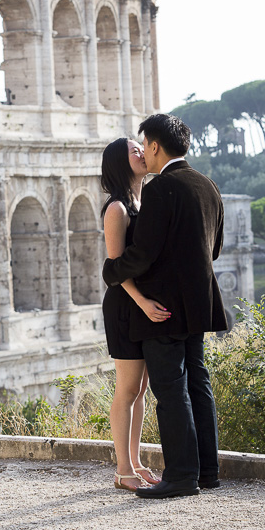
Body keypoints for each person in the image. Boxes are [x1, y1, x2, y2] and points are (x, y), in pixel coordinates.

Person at [102, 113, 229, 499]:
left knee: (172, 391)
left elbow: (143, 253)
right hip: (198, 306)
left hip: (161, 310)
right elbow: (215, 249)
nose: (143, 152)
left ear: (155, 146)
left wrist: (112, 271)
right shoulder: (208, 186)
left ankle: (180, 476)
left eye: (145, 145)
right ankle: (207, 471)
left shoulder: (160, 189)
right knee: (198, 384)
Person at [99, 137, 162, 492]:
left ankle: (136, 462)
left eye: (142, 148)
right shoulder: (117, 209)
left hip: (141, 304)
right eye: (133, 152)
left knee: (141, 389)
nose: (142, 153)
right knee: (126, 388)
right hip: (126, 305)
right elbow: (116, 267)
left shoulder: (142, 200)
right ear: (120, 164)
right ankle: (123, 469)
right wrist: (142, 302)